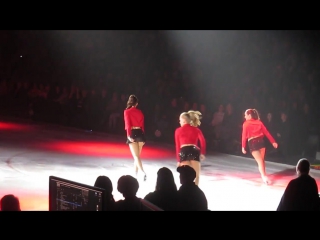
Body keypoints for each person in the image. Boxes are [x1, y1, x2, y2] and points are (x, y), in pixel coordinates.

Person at [242, 109, 278, 185]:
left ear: (249, 115)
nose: (244, 117)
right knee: (261, 161)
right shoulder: (259, 122)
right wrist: (273, 141)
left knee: (261, 161)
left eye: (245, 115)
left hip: (254, 143)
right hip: (261, 142)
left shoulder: (246, 124)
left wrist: (243, 146)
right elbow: (267, 133)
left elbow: (244, 136)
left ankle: (264, 176)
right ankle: (264, 176)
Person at [175, 110, 206, 186]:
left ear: (184, 121)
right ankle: (195, 193)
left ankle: (185, 192)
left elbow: (178, 146)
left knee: (185, 176)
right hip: (194, 150)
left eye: (180, 120)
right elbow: (203, 141)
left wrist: (178, 160)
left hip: (184, 151)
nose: (179, 122)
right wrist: (202, 153)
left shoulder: (178, 131)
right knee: (197, 175)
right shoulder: (196, 130)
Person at [124, 94, 147, 181]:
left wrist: (128, 136)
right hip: (140, 134)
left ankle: (142, 172)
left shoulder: (127, 111)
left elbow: (128, 125)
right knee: (137, 157)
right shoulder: (140, 112)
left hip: (133, 133)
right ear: (136, 104)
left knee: (136, 156)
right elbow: (142, 126)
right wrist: (143, 136)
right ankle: (135, 175)